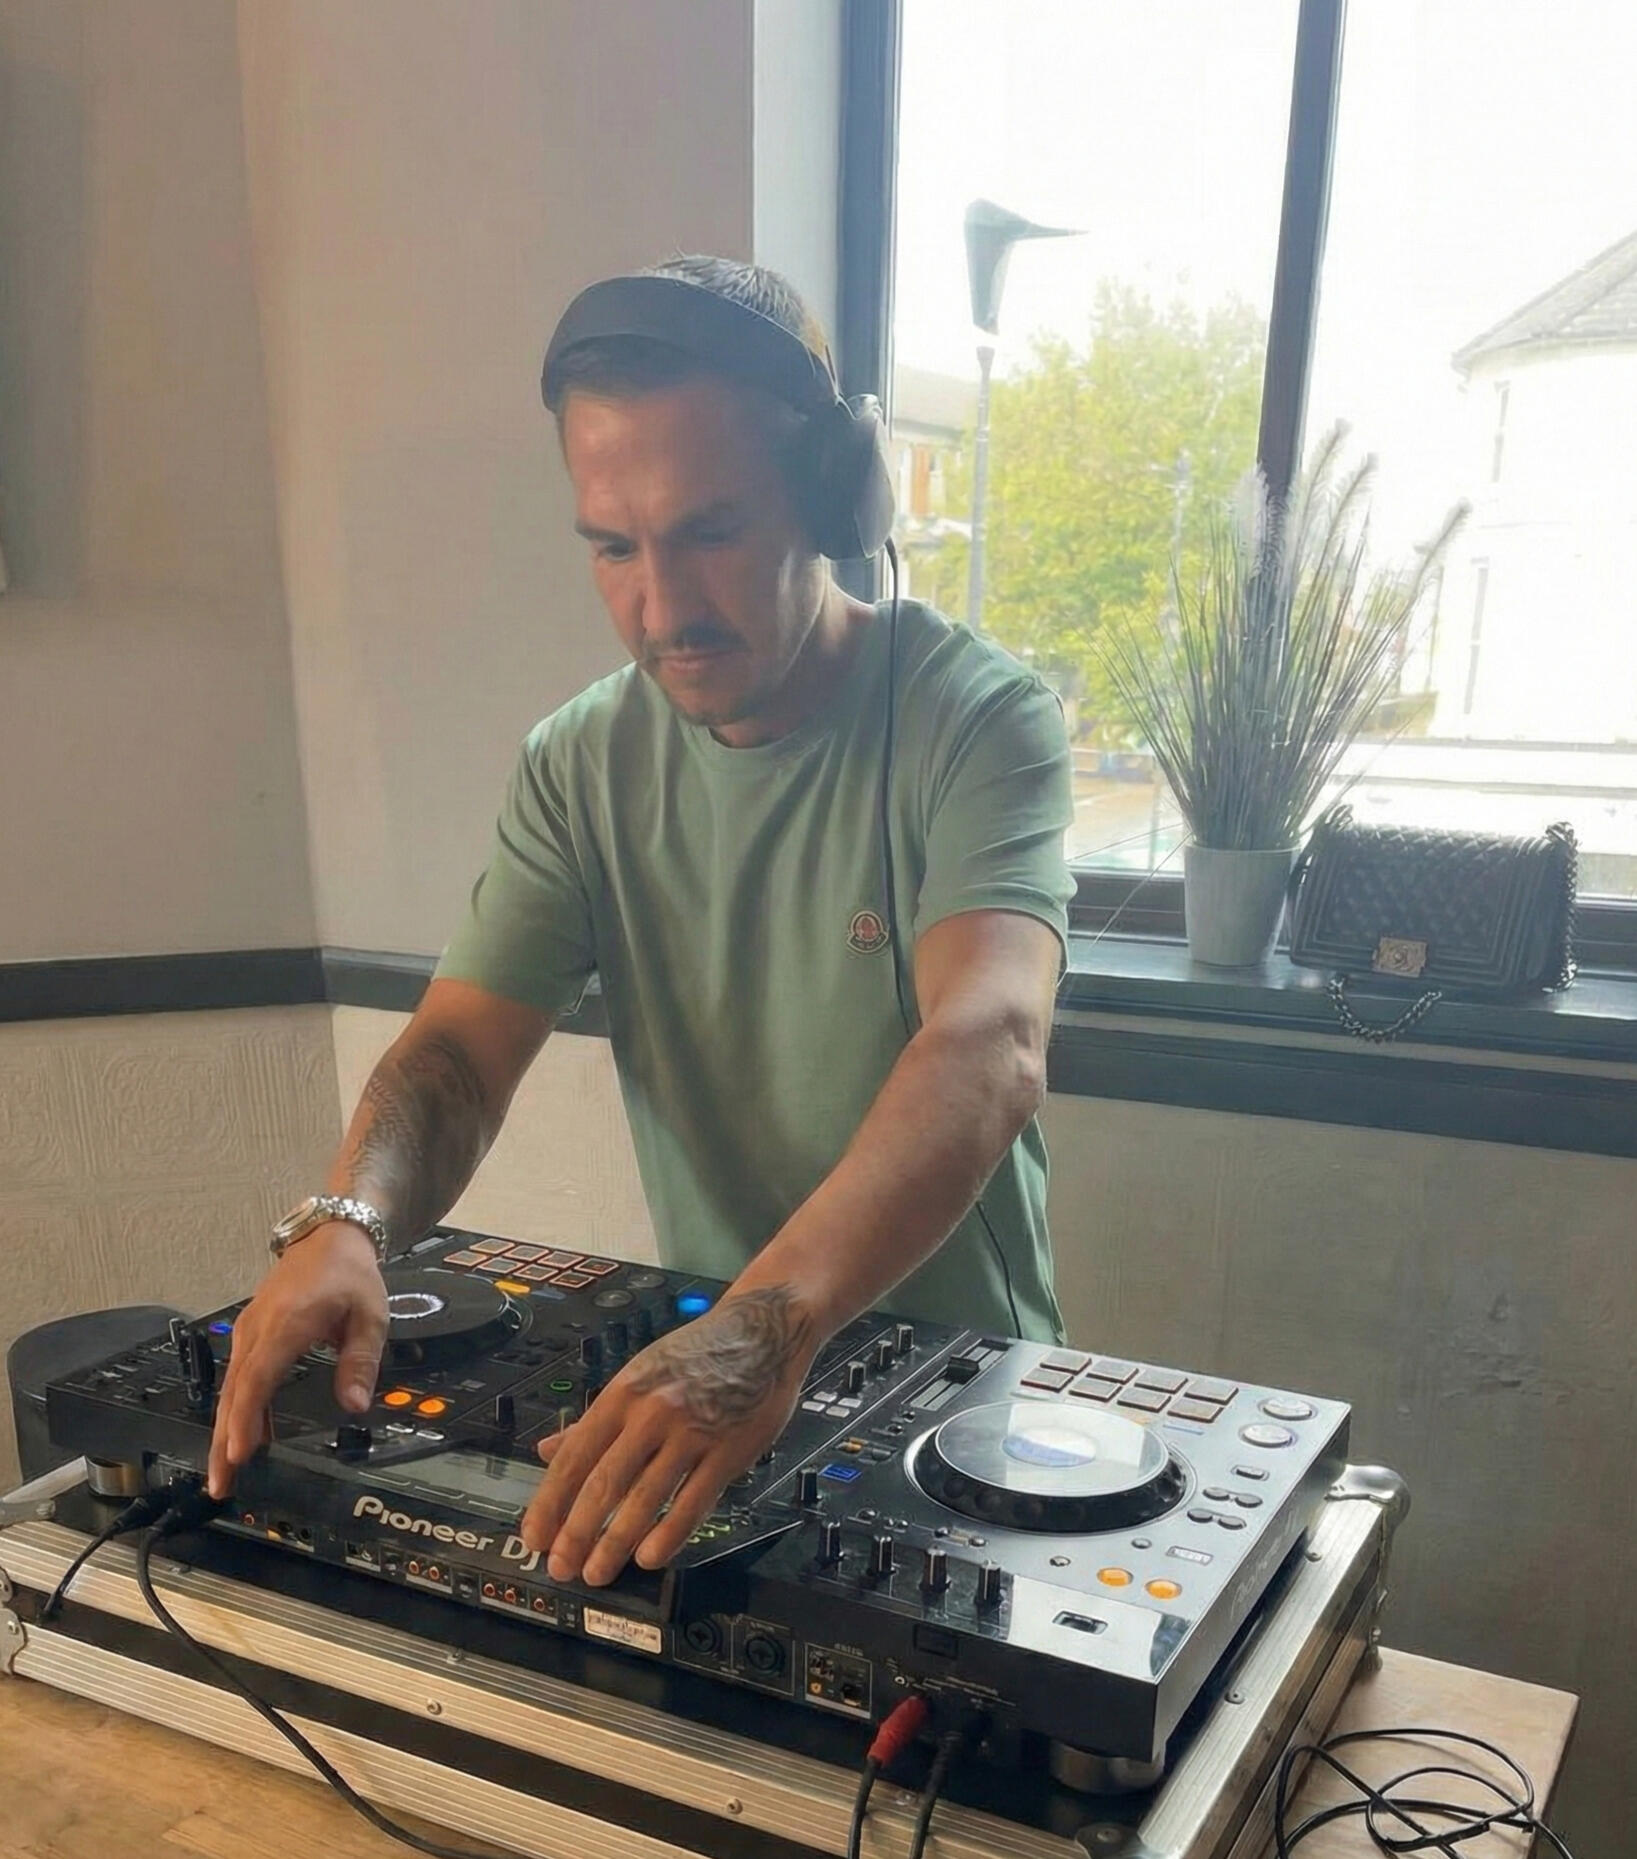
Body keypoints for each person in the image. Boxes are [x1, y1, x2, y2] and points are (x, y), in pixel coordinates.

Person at [207, 255, 1074, 1590]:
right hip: (703, 1375)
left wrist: (769, 1327)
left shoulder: (982, 720)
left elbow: (990, 1042)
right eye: (615, 548)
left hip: (961, 1396)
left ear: (828, 502)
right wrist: (350, 1220)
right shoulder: (576, 762)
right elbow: (457, 1055)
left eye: (710, 531)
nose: (663, 611)